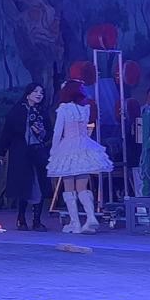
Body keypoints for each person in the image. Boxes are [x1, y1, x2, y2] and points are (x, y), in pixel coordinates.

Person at [46, 79, 114, 234]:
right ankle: (90, 217)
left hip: (68, 147)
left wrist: (54, 151)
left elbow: (58, 132)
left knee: (69, 185)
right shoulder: (85, 109)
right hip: (84, 146)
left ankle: (75, 223)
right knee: (82, 186)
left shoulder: (64, 109)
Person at [0, 83, 52, 231]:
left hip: (38, 153)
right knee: (24, 186)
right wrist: (1, 153)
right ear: (28, 94)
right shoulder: (17, 111)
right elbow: (7, 134)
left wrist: (42, 133)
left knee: (39, 185)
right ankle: (21, 218)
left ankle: (37, 220)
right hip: (21, 153)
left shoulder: (43, 112)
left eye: (41, 92)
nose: (39, 95)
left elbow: (49, 133)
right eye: (35, 92)